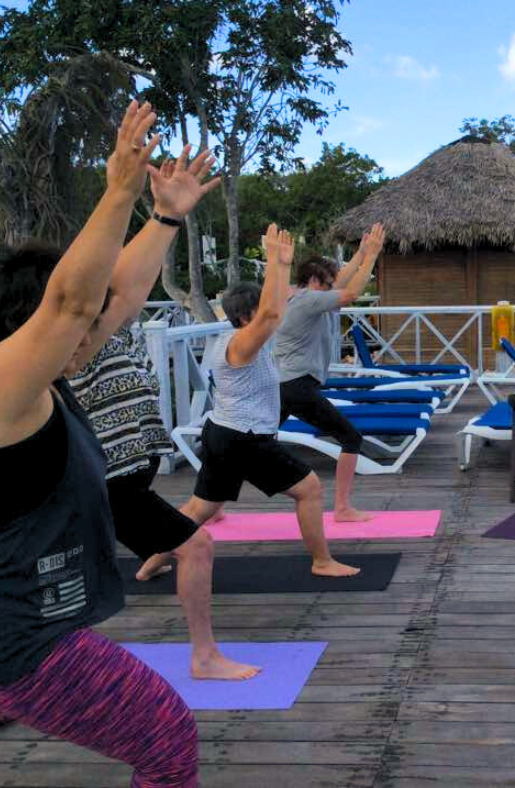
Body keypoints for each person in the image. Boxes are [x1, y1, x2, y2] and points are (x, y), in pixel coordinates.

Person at [0, 100, 199, 786]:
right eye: (81, 326)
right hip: (21, 640)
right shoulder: (6, 388)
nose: (97, 331)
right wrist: (118, 190)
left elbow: (116, 297)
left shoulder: (53, 377)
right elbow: (74, 304)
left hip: (31, 624)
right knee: (167, 740)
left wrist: (164, 217)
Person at [65, 147, 259, 681]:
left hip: (123, 474)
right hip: (103, 478)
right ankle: (204, 656)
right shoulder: (74, 336)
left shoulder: (112, 322)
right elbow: (112, 282)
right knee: (196, 545)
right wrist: (141, 205)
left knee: (78, 573)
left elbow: (129, 279)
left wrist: (165, 217)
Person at [141, 224, 360, 579]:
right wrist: (276, 262)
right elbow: (272, 314)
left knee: (200, 508)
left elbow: (278, 307)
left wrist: (281, 267)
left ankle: (152, 561)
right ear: (246, 317)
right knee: (309, 489)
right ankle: (322, 561)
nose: (271, 315)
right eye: (259, 311)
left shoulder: (237, 339)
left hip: (225, 433)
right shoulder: (242, 343)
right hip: (243, 438)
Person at [273, 224, 386, 522]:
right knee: (350, 437)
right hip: (297, 386)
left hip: (285, 385)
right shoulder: (308, 300)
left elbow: (340, 284)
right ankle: (343, 508)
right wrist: (371, 257)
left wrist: (360, 253)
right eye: (327, 283)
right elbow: (350, 293)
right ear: (313, 281)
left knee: (253, 444)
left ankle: (212, 505)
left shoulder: (305, 298)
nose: (331, 289)